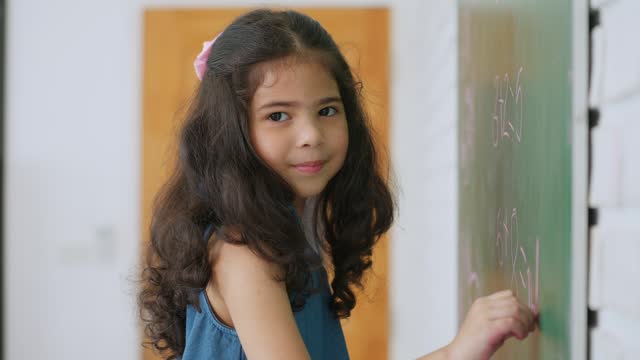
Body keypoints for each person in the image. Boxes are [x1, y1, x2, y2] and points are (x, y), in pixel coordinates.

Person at [138, 8, 537, 360]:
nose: (311, 134)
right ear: (231, 133)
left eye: (327, 110)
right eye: (278, 116)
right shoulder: (246, 255)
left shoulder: (287, 238)